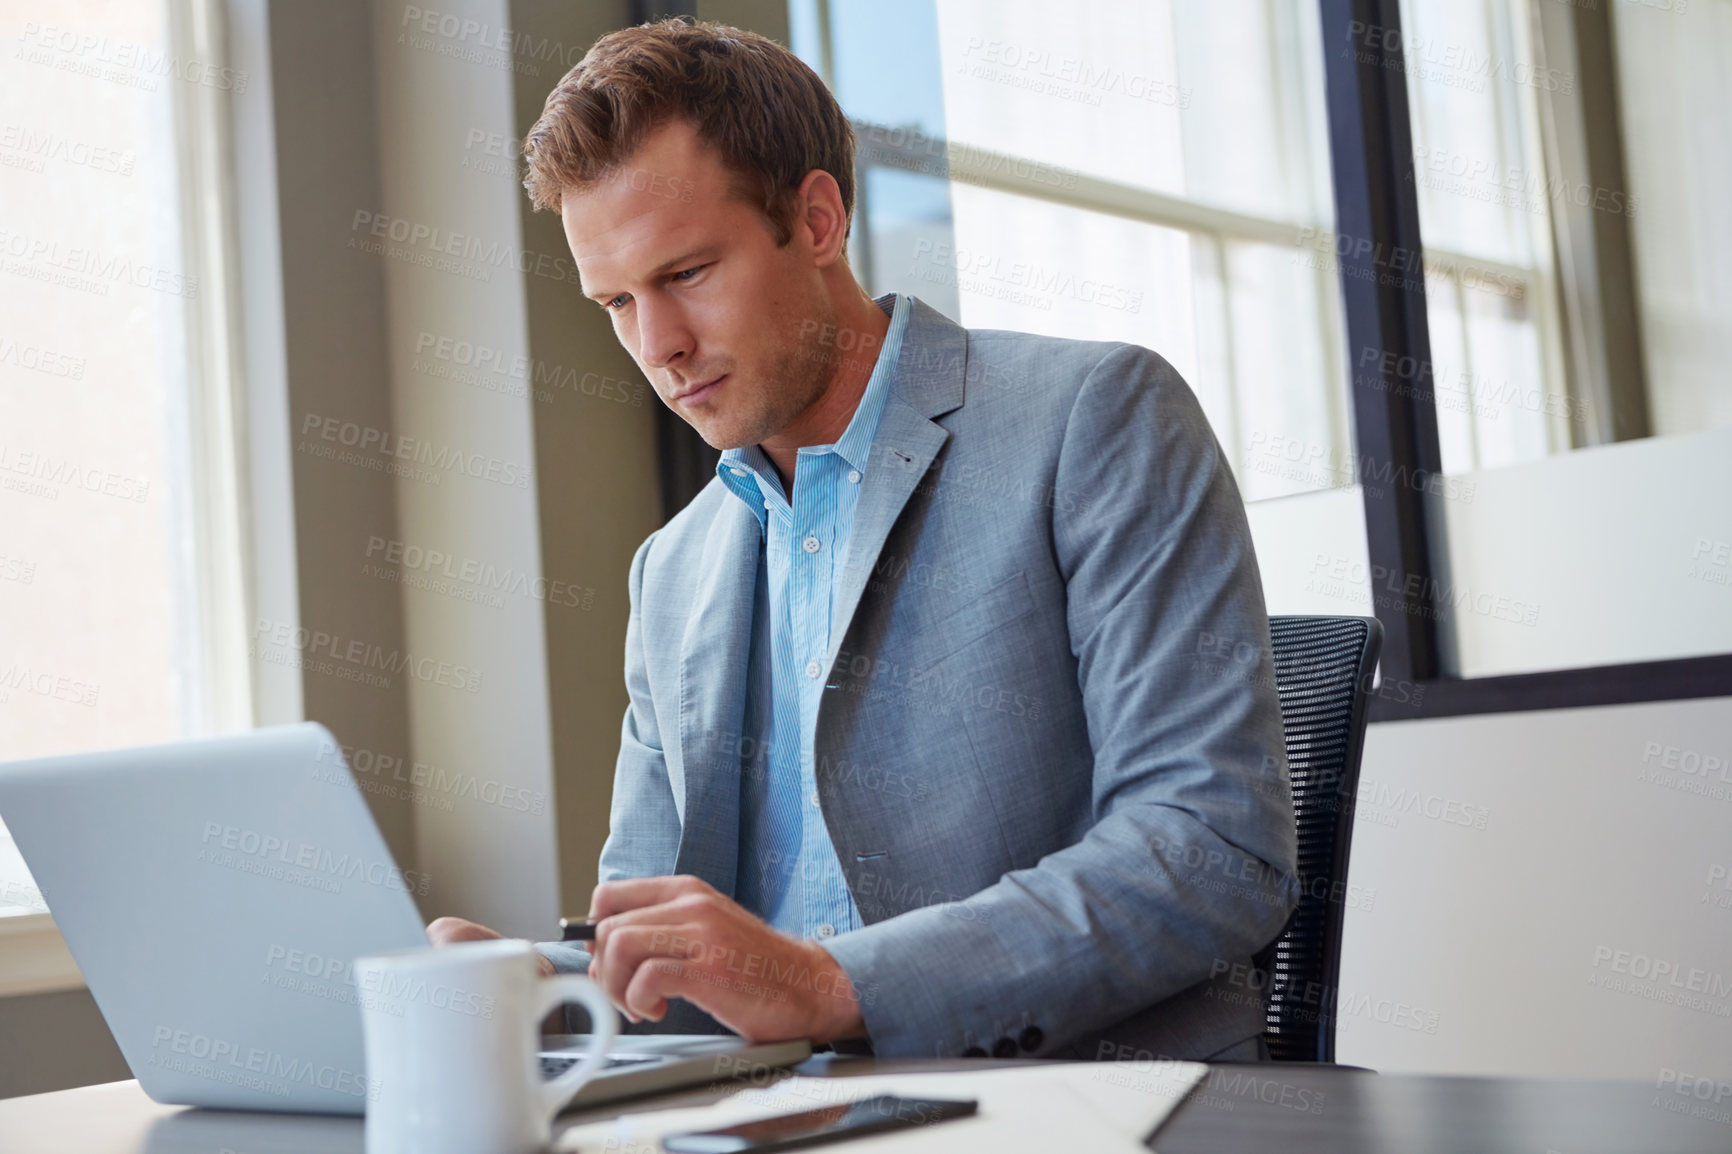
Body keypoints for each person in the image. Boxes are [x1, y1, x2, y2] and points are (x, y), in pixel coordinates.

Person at [428, 18, 1298, 1063]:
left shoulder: (1094, 420)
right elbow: (659, 949)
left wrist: (831, 986)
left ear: (818, 217)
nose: (656, 346)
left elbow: (1210, 848)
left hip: (1074, 1103)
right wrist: (534, 982)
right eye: (616, 301)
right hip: (791, 1115)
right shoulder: (673, 571)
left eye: (688, 272)